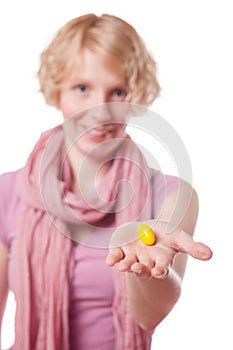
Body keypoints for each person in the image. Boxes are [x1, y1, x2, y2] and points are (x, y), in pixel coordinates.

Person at [0, 13, 212, 350]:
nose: (100, 109)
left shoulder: (171, 196)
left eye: (118, 91)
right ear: (57, 90)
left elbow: (150, 315)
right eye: (82, 88)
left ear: (136, 96)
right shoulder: (8, 193)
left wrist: (144, 268)